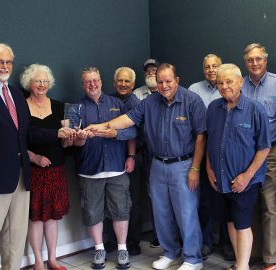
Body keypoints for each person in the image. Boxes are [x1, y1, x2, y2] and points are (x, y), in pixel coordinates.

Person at [0, 43, 73, 270]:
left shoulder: (17, 95)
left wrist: (56, 134)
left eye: (8, 62)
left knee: (15, 237)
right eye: (0, 61)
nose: (5, 66)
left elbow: (26, 134)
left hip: (20, 177)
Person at [86, 63, 205, 270]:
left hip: (183, 165)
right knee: (162, 213)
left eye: (168, 81)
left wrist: (195, 168)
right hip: (157, 164)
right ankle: (170, 253)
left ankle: (192, 259)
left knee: (186, 214)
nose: (164, 85)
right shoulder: (150, 102)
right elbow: (127, 120)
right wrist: (100, 127)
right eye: (160, 82)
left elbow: (201, 137)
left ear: (177, 80)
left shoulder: (192, 101)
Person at [69, 67, 137, 269]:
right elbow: (75, 144)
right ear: (83, 85)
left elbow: (131, 130)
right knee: (92, 213)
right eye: (88, 81)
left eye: (95, 80)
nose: (92, 84)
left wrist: (131, 156)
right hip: (89, 171)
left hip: (117, 167)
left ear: (101, 81)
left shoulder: (117, 104)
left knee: (121, 211)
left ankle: (122, 249)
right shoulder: (76, 108)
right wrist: (80, 139)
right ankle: (99, 249)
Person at [206, 63, 271, 270]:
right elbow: (210, 142)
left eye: (229, 81)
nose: (224, 86)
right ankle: (238, 263)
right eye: (220, 83)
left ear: (240, 81)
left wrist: (247, 176)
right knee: (230, 222)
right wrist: (208, 169)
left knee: (242, 224)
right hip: (220, 180)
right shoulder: (213, 109)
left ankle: (243, 267)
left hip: (245, 181)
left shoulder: (255, 109)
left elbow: (264, 148)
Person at [241, 43, 276, 269]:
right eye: (250, 59)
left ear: (265, 60)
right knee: (248, 205)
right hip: (246, 155)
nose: (255, 63)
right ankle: (250, 253)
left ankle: (270, 260)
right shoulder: (237, 84)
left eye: (258, 59)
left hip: (273, 152)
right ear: (245, 62)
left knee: (271, 207)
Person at [21, 64, 71, 270]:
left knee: (52, 216)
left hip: (56, 169)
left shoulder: (60, 106)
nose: (41, 84)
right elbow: (18, 141)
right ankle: (38, 262)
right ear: (29, 84)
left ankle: (52, 258)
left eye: (45, 81)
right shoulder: (21, 107)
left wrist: (72, 137)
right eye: (37, 81)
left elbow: (65, 143)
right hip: (34, 170)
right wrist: (34, 158)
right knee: (36, 218)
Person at [188, 54, 235, 261]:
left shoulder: (230, 88)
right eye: (207, 66)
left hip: (226, 153)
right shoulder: (194, 90)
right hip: (201, 150)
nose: (211, 70)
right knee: (205, 203)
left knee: (227, 201)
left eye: (215, 66)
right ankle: (206, 242)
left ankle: (227, 243)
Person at [105, 67, 143, 256]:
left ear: (133, 84)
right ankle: (113, 240)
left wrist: (131, 156)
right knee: (112, 199)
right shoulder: (108, 100)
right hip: (112, 157)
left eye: (127, 81)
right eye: (120, 80)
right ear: (114, 82)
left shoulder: (135, 103)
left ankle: (133, 241)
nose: (123, 84)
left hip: (133, 157)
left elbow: (134, 132)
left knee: (132, 200)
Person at [132, 58, 161, 248]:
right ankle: (151, 235)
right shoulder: (136, 95)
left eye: (154, 70)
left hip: (160, 152)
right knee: (143, 195)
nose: (151, 72)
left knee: (160, 194)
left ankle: (167, 235)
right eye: (148, 70)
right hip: (140, 150)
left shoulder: (169, 92)